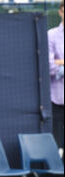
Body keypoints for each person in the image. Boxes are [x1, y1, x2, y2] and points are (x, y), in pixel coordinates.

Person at [48, 0, 64, 156]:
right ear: (60, 12)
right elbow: (50, 66)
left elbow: (55, 64)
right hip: (58, 100)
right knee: (57, 147)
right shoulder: (51, 35)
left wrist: (61, 62)